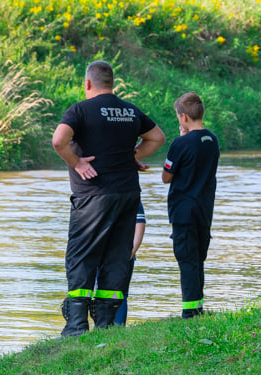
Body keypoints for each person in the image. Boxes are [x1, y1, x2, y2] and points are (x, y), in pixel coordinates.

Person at [52, 60, 165, 336]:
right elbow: (157, 138)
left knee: (81, 255)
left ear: (87, 84)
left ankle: (77, 326)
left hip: (93, 196)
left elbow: (58, 141)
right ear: (112, 84)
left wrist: (77, 162)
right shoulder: (129, 110)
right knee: (117, 256)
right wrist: (132, 156)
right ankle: (105, 326)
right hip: (127, 194)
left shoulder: (80, 110)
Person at [162, 91, 220, 318]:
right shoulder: (212, 139)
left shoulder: (180, 143)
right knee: (197, 259)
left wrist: (182, 138)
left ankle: (189, 313)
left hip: (183, 210)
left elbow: (166, 177)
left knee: (186, 260)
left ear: (183, 117)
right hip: (204, 209)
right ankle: (198, 308)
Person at [114, 201, 146, 326]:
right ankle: (104, 329)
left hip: (122, 255)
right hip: (102, 255)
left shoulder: (130, 193)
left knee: (120, 294)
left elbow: (140, 223)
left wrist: (131, 251)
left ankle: (117, 328)